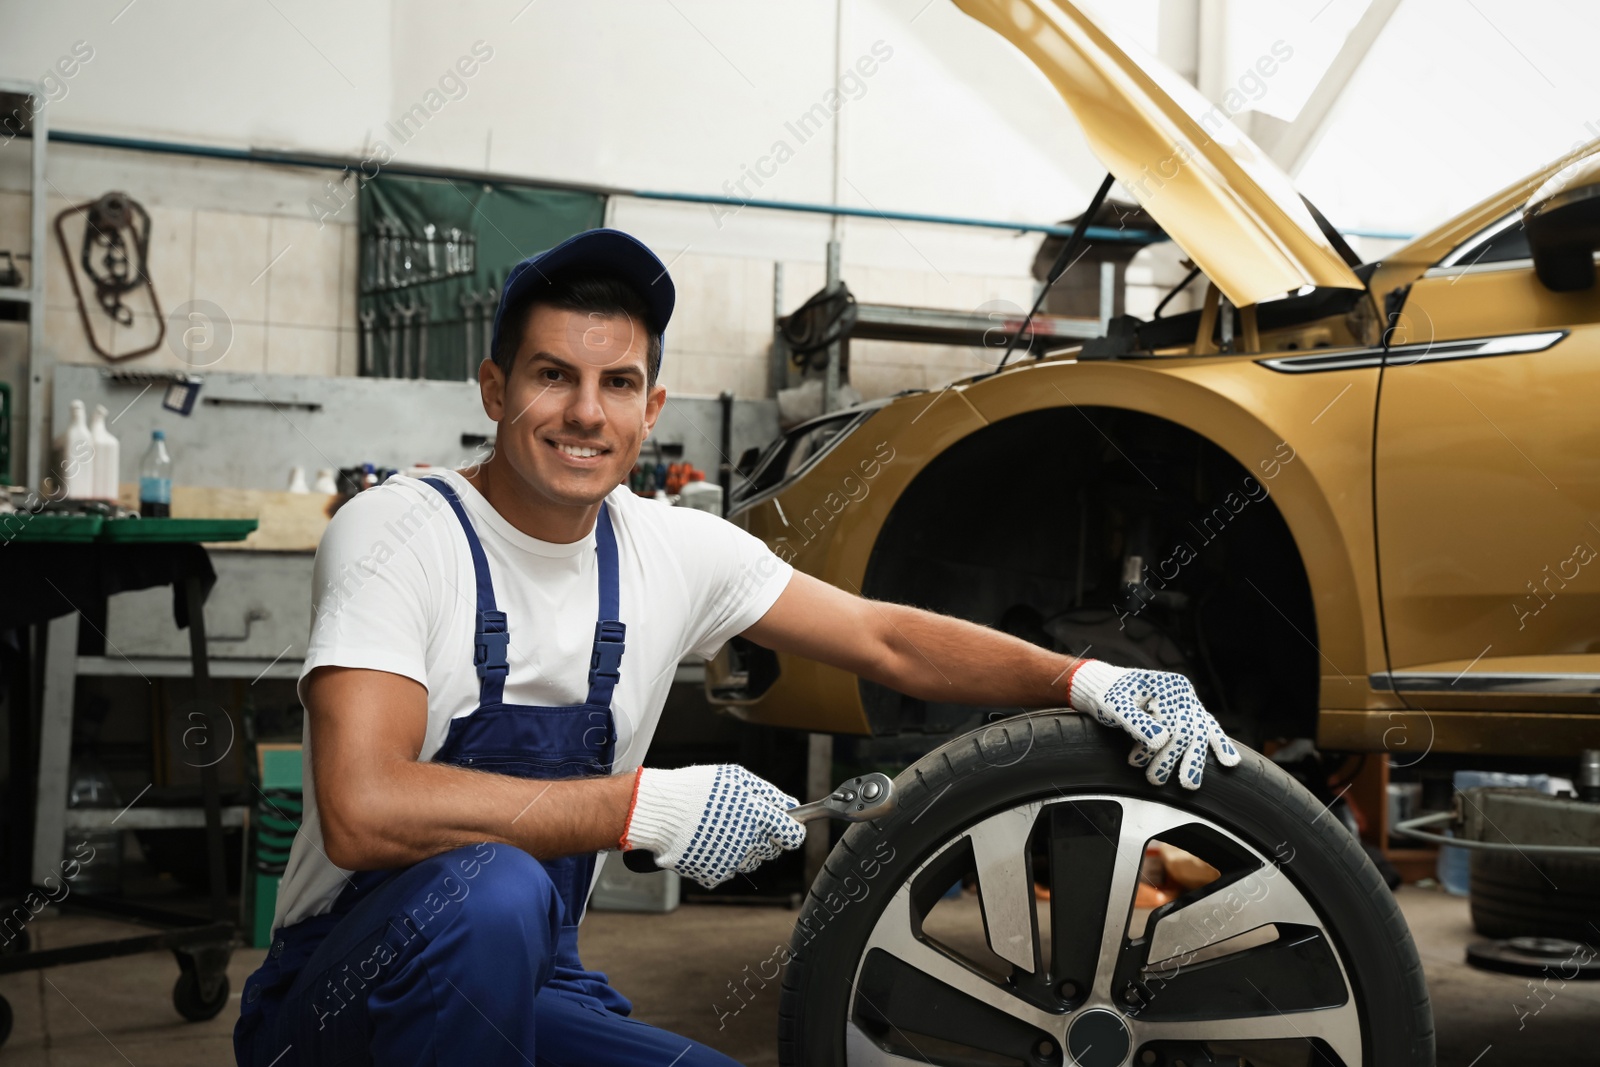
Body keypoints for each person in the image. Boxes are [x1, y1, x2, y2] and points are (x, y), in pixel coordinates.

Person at [233, 228, 1240, 1066]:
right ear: (494, 389)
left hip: (530, 979)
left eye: (617, 381)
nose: (586, 412)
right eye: (553, 376)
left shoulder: (671, 546)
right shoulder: (399, 531)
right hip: (342, 998)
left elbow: (883, 637)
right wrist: (651, 804)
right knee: (488, 887)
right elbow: (365, 808)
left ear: (650, 409)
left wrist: (1083, 675)